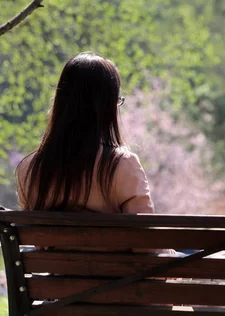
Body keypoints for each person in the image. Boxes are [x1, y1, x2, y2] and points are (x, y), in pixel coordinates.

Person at [15, 53, 166, 251]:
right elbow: (146, 246)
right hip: (117, 281)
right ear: (106, 106)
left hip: (58, 280)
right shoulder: (121, 165)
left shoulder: (29, 169)